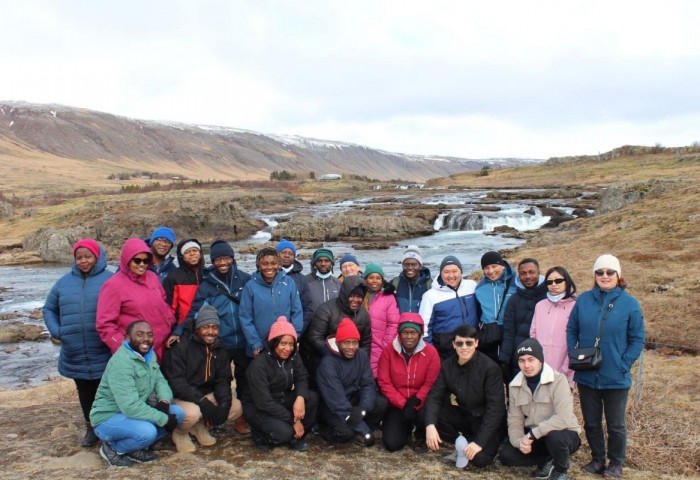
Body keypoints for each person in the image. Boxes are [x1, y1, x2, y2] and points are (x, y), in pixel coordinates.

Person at [567, 254, 644, 478]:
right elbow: (571, 329)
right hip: (586, 373)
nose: (605, 276)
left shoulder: (630, 304)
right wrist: (574, 353)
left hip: (615, 375)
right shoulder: (583, 300)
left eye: (610, 272)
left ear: (618, 275)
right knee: (591, 422)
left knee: (616, 424)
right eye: (600, 272)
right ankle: (598, 459)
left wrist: (624, 363)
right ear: (595, 275)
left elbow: (637, 338)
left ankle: (616, 463)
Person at [169, 239, 252, 435]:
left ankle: (242, 418)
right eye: (217, 259)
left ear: (232, 258)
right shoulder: (207, 285)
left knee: (246, 380)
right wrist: (178, 331)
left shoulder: (245, 279)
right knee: (218, 378)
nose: (222, 262)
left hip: (243, 339)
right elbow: (194, 312)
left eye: (226, 258)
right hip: (219, 342)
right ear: (212, 261)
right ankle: (213, 417)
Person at [43, 238, 114, 447]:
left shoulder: (110, 280)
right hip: (74, 350)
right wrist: (56, 331)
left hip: (103, 349)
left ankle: (109, 429)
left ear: (97, 256)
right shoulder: (63, 283)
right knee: (84, 391)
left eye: (88, 256)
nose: (84, 261)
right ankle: (91, 428)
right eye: (79, 257)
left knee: (107, 391)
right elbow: (49, 308)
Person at [90, 320, 185, 468]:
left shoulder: (149, 354)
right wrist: (163, 418)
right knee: (147, 432)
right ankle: (113, 448)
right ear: (128, 338)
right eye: (139, 335)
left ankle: (134, 448)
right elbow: (130, 406)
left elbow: (160, 380)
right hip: (108, 417)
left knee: (177, 413)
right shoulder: (122, 362)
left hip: (131, 413)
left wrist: (164, 402)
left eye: (149, 335)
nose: (145, 339)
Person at [162, 305, 243, 453]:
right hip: (181, 396)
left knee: (235, 407)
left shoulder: (220, 348)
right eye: (206, 327)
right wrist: (202, 401)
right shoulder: (181, 346)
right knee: (192, 413)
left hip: (205, 394)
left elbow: (223, 379)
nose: (211, 332)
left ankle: (200, 426)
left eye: (214, 327)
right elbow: (177, 382)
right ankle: (180, 433)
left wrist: (224, 403)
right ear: (198, 328)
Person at [424, 325, 505, 468]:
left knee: (480, 460)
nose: (464, 347)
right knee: (430, 415)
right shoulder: (447, 365)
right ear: (454, 344)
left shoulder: (490, 368)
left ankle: (471, 442)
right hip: (465, 416)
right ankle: (461, 441)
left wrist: (479, 442)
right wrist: (430, 425)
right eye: (460, 343)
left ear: (476, 343)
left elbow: (496, 409)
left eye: (469, 343)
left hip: (485, 421)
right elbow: (435, 396)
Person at [499, 338, 581, 480]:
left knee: (555, 438)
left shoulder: (559, 380)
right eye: (522, 361)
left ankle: (561, 471)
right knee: (507, 457)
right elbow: (514, 419)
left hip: (563, 433)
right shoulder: (514, 385)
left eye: (531, 359)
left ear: (540, 360)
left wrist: (532, 434)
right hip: (536, 435)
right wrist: (520, 442)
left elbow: (563, 418)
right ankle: (549, 459)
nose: (527, 365)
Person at [243, 317, 318, 451]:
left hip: (281, 398)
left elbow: (302, 377)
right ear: (274, 342)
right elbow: (264, 402)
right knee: (284, 433)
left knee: (312, 398)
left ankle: (297, 436)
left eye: (291, 344)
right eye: (283, 343)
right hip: (258, 407)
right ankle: (262, 435)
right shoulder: (259, 365)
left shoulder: (294, 356)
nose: (288, 348)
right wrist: (293, 420)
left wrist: (300, 398)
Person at [96, 238, 175, 362]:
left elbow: (163, 302)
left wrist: (170, 321)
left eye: (146, 260)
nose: (142, 264)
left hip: (161, 349)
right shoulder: (113, 285)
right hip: (135, 355)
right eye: (137, 260)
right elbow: (105, 325)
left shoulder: (152, 277)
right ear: (127, 260)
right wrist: (126, 349)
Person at [316, 318, 387, 448]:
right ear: (338, 343)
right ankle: (327, 434)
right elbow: (337, 401)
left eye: (355, 342)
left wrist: (362, 409)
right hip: (332, 407)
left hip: (353, 400)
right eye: (346, 342)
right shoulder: (328, 363)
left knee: (380, 403)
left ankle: (356, 430)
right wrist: (366, 432)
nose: (351, 347)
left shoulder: (362, 355)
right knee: (345, 433)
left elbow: (368, 384)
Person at [377, 313, 441, 452]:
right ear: (399, 333)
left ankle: (421, 435)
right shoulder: (388, 351)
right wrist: (403, 403)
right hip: (397, 403)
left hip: (420, 403)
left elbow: (431, 382)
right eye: (405, 332)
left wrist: (416, 401)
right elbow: (384, 382)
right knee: (392, 444)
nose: (409, 337)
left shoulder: (431, 352)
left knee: (427, 413)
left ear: (420, 334)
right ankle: (405, 429)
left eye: (413, 332)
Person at [302, 275, 372, 380]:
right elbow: (315, 337)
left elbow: (366, 343)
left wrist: (358, 361)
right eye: (352, 296)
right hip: (324, 358)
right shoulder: (326, 310)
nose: (355, 300)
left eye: (359, 297)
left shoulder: (364, 315)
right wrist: (335, 353)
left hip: (351, 357)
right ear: (345, 294)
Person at [239, 247, 303, 357]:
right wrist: (255, 343)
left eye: (273, 263)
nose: (269, 267)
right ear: (258, 265)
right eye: (265, 263)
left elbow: (297, 312)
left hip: (284, 345)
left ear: (279, 264)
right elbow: (245, 318)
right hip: (260, 346)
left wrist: (294, 336)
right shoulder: (250, 286)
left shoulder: (289, 283)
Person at [419, 256, 479, 360]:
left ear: (461, 272)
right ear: (440, 273)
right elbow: (423, 328)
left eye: (455, 271)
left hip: (471, 345)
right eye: (446, 272)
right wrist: (431, 354)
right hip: (445, 351)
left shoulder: (472, 286)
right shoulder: (430, 296)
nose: (451, 275)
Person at [499, 258, 548, 382]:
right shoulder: (514, 300)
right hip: (520, 358)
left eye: (532, 272)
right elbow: (509, 332)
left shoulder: (549, 296)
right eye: (523, 273)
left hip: (545, 356)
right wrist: (505, 358)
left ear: (539, 272)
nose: (528, 276)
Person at [530, 266, 577, 387]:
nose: (554, 284)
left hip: (565, 370)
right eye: (549, 282)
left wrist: (567, 368)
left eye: (558, 280)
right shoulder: (540, 306)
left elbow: (578, 339)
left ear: (567, 281)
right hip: (541, 369)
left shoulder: (576, 305)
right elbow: (533, 335)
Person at [474, 250, 517, 363]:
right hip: (489, 336)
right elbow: (478, 312)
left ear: (502, 266)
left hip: (511, 332)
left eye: (494, 266)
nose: (491, 271)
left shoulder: (516, 283)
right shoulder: (480, 288)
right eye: (486, 268)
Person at [363, 263, 400, 376]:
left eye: (378, 278)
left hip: (380, 344)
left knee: (379, 373)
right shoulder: (360, 296)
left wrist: (385, 343)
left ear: (382, 281)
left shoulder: (388, 298)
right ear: (365, 279)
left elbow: (393, 323)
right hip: (362, 343)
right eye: (371, 277)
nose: (375, 281)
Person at [163, 238, 204, 325]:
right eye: (187, 252)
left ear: (200, 253)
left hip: (207, 327)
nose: (192, 253)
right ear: (182, 256)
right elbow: (169, 309)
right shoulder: (173, 277)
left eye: (195, 250)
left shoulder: (209, 274)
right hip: (183, 327)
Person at [276, 238, 314, 332]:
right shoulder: (269, 275)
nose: (287, 256)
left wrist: (299, 329)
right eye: (283, 252)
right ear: (277, 254)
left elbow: (307, 307)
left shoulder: (301, 279)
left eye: (290, 253)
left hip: (294, 329)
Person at [391, 245, 432, 314]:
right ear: (402, 266)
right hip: (400, 324)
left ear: (420, 266)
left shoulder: (429, 285)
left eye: (414, 264)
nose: (410, 267)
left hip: (421, 324)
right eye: (406, 264)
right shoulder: (394, 284)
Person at [305, 248, 341, 315]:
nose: (323, 264)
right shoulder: (305, 281)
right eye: (319, 261)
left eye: (327, 261)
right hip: (312, 323)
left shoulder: (337, 283)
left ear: (332, 263)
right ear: (314, 264)